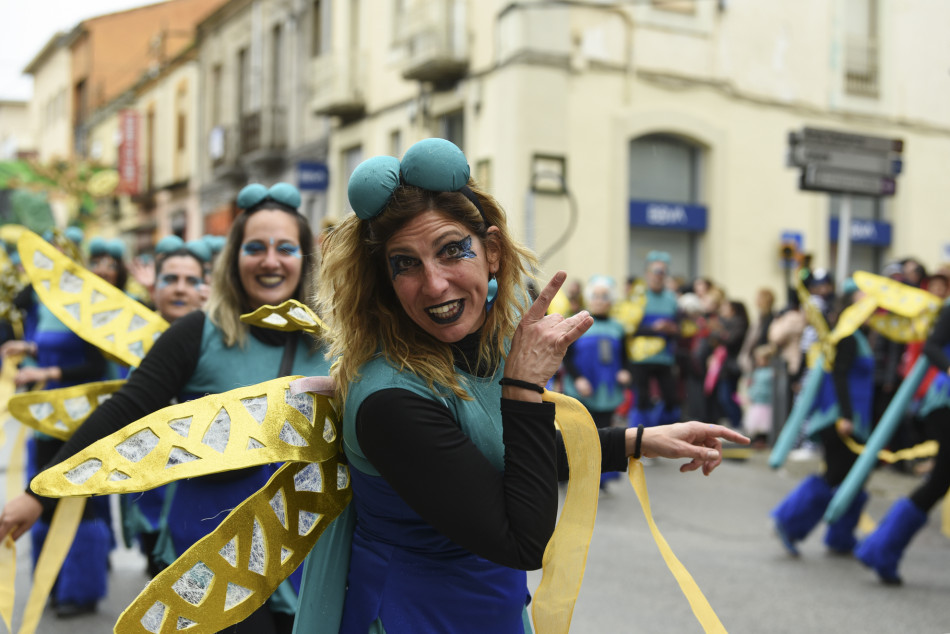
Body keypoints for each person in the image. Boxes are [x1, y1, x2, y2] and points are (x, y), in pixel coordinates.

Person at [297, 138, 748, 631]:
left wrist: (639, 441)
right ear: (385, 279)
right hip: (414, 617)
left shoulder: (472, 345)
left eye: (451, 251)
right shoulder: (390, 400)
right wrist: (524, 387)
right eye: (405, 263)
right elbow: (522, 540)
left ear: (491, 252)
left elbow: (500, 458)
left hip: (491, 611)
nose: (434, 284)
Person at [0, 182, 329, 633]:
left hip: (313, 555)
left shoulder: (336, 338)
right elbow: (125, 411)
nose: (270, 260)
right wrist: (40, 493)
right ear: (234, 258)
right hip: (213, 556)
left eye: (285, 247)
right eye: (255, 247)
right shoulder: (197, 333)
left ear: (305, 257)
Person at [0, 233, 111, 618]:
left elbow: (98, 365)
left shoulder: (89, 303)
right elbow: (49, 340)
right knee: (44, 499)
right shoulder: (43, 300)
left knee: (81, 504)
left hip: (82, 418)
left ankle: (82, 591)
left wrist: (46, 369)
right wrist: (28, 349)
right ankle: (54, 581)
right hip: (46, 419)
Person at [120, 234, 211, 577]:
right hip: (148, 485)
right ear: (154, 289)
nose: (180, 289)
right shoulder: (134, 338)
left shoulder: (227, 341)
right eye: (170, 279)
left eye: (191, 280)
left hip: (201, 496)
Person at [772, 286, 875, 557]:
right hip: (839, 419)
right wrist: (846, 417)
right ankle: (789, 522)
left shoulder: (854, 334)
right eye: (864, 298)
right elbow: (839, 377)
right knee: (836, 476)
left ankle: (840, 537)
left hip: (848, 418)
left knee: (851, 478)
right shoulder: (848, 336)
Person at [855, 294, 950, 584]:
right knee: (939, 481)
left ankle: (880, 549)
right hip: (944, 404)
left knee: (939, 482)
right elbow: (932, 346)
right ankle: (881, 549)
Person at [562, 276, 630, 489]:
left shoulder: (619, 328)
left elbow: (626, 358)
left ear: (610, 300)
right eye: (595, 296)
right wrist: (578, 379)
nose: (599, 301)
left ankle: (598, 479)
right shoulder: (577, 323)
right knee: (578, 434)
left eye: (604, 297)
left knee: (603, 434)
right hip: (581, 389)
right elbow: (567, 356)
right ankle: (569, 474)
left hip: (606, 391)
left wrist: (626, 372)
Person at [627, 251, 681, 428]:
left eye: (662, 272)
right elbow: (629, 328)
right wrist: (653, 328)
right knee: (641, 397)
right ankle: (639, 436)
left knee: (670, 397)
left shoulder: (671, 299)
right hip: (641, 357)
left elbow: (680, 326)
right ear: (647, 274)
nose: (659, 276)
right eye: (655, 272)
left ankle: (663, 432)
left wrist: (673, 329)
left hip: (664, 357)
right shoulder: (638, 297)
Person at [743, 344, 776, 448]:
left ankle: (762, 440)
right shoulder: (757, 372)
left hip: (765, 401)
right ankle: (757, 439)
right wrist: (750, 392)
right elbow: (754, 384)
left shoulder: (771, 373)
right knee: (756, 422)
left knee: (764, 423)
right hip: (757, 400)